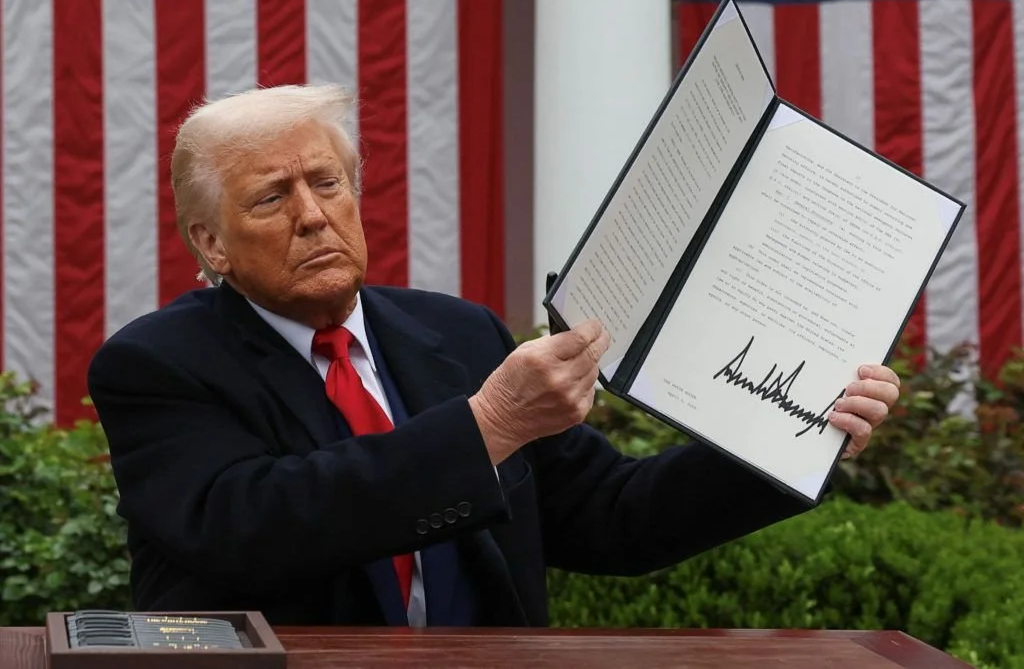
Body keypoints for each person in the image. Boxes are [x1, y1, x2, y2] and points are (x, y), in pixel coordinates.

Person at [87, 84, 901, 628]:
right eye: (272, 196)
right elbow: (252, 526)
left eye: (327, 183)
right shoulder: (156, 364)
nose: (312, 215)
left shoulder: (458, 334)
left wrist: (791, 437)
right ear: (211, 244)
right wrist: (488, 426)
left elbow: (617, 517)